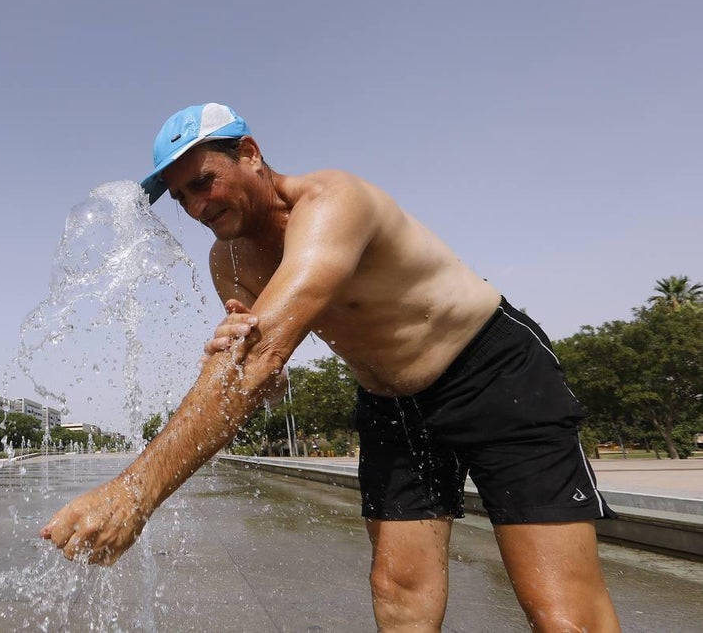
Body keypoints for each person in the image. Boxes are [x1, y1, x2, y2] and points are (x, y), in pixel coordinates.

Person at [41, 103, 620, 632]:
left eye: (203, 182)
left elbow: (259, 355)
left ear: (249, 154)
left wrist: (133, 493)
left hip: (492, 373)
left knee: (561, 613)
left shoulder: (333, 202)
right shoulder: (230, 259)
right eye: (181, 198)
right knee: (398, 592)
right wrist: (253, 369)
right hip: (391, 403)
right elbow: (263, 374)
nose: (196, 207)